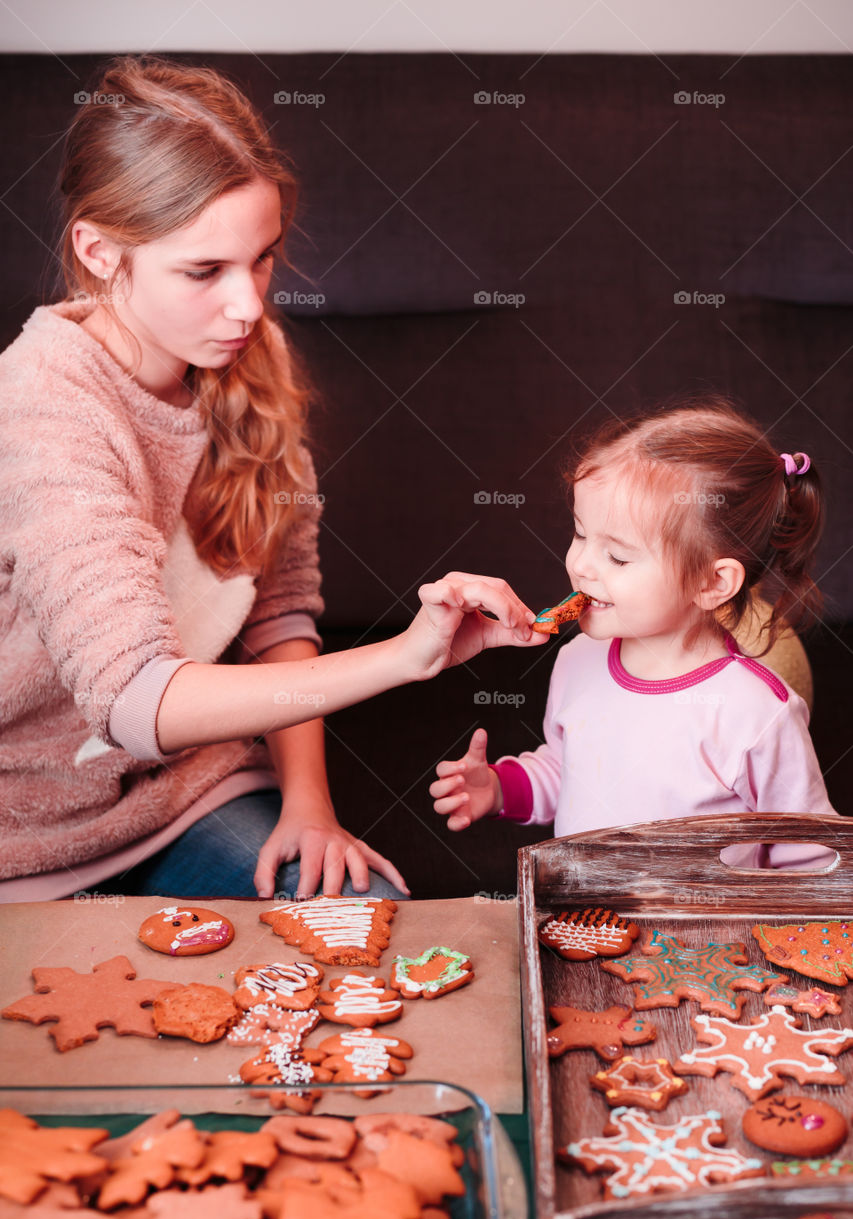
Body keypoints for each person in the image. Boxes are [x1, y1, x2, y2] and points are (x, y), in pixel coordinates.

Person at [0, 55, 547, 903]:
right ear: (99, 250)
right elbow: (136, 703)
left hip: (188, 798)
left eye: (260, 258)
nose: (249, 305)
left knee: (370, 926)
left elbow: (278, 607)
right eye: (203, 270)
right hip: (23, 840)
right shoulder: (41, 403)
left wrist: (309, 803)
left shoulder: (242, 352)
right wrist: (406, 657)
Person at [430, 402, 839, 867]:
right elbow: (567, 771)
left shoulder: (757, 713)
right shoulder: (578, 659)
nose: (581, 565)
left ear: (711, 583)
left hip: (704, 938)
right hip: (584, 923)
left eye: (618, 558)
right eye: (581, 534)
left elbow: (810, 855)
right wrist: (502, 788)